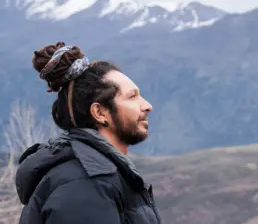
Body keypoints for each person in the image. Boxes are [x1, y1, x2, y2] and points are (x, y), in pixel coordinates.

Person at [15, 42, 162, 224]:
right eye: (132, 97)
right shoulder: (85, 185)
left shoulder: (97, 177)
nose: (147, 106)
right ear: (100, 113)